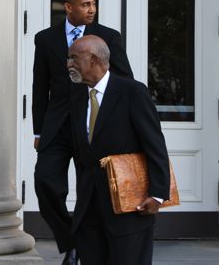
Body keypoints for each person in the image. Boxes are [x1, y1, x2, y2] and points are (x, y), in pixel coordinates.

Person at [32, 0, 133, 264]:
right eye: (85, 4)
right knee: (46, 183)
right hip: (58, 125)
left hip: (93, 123)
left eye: (93, 3)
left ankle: (87, 248)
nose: (92, 9)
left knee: (89, 188)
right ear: (68, 7)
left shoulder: (108, 37)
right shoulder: (45, 38)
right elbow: (40, 87)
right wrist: (39, 130)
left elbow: (123, 80)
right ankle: (70, 241)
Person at [66, 35, 170, 265]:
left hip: (130, 208)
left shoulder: (132, 92)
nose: (69, 64)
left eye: (74, 58)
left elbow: (155, 146)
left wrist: (157, 194)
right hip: (90, 209)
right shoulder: (77, 99)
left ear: (93, 59)